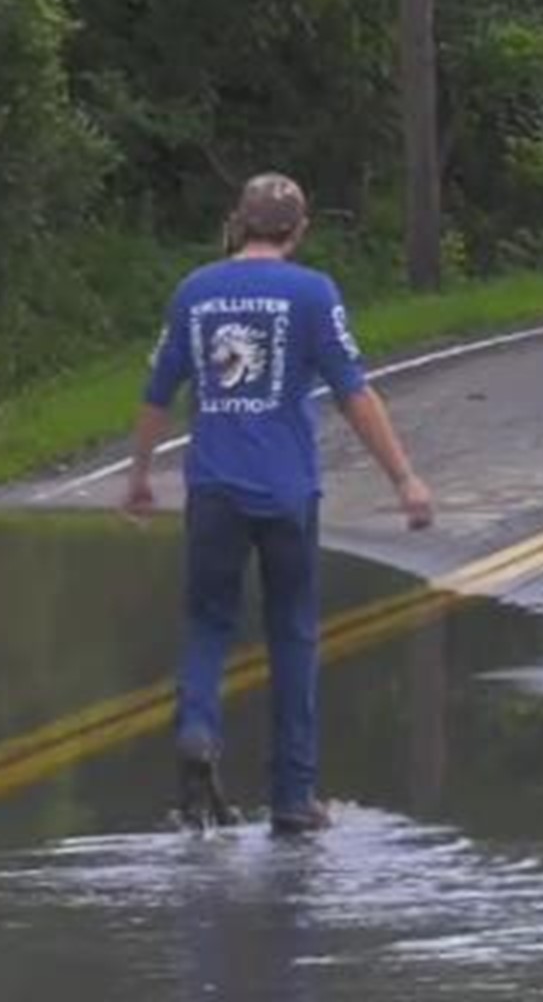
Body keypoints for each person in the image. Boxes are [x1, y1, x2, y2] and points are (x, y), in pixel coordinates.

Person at [122, 173, 436, 835]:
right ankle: (293, 798)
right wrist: (404, 478)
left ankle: (198, 732)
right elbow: (354, 392)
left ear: (237, 221)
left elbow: (158, 393)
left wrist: (141, 474)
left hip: (212, 489)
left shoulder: (194, 292)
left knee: (209, 623)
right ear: (299, 229)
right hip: (289, 492)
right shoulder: (312, 294)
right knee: (292, 632)